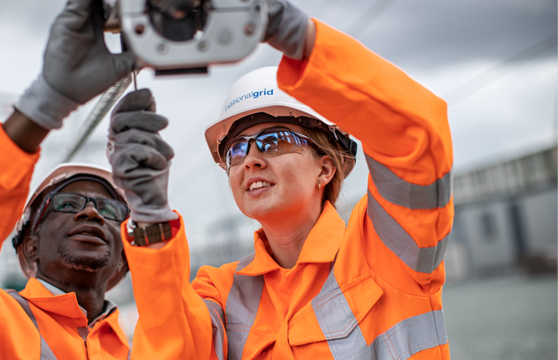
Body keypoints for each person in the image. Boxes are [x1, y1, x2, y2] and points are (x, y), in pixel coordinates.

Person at [107, 1, 453, 359]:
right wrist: (150, 215)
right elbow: (174, 350)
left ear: (325, 168)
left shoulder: (388, 249)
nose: (251, 160)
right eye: (236, 151)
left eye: (274, 141)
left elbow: (415, 134)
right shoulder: (221, 290)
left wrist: (288, 29)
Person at [0, 0, 137, 358]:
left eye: (110, 208)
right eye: (67, 204)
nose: (92, 214)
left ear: (125, 260)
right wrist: (44, 105)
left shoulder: (141, 346)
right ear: (29, 245)